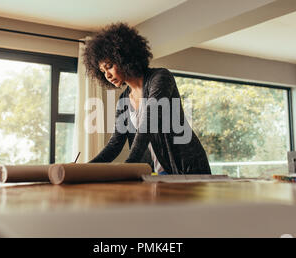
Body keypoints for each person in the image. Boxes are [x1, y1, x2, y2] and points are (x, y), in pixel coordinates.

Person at [83, 22, 210, 175]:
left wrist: (128, 166)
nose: (107, 75)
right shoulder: (124, 99)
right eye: (103, 71)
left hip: (188, 166)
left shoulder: (160, 77)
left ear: (123, 56)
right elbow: (115, 144)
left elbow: (148, 124)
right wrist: (85, 168)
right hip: (160, 171)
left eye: (109, 66)